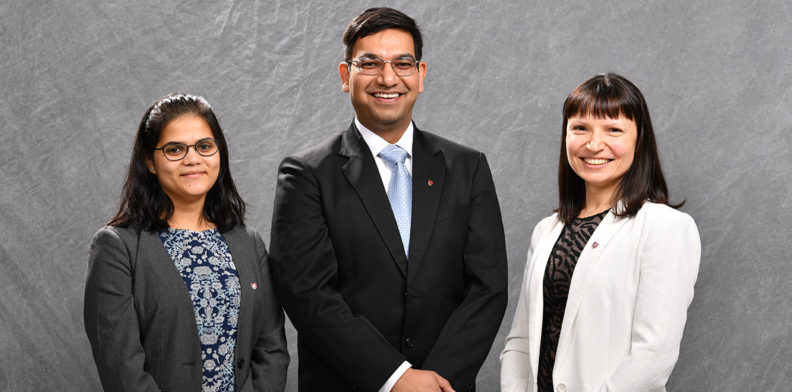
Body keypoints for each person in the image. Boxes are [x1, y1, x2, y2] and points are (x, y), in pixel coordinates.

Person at [269, 7, 508, 392]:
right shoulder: (306, 174)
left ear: (421, 74)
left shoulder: (468, 168)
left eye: (402, 63)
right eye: (370, 64)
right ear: (345, 76)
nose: (388, 78)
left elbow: (488, 288)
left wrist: (434, 383)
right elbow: (307, 294)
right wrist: (397, 379)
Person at [500, 74, 701, 392]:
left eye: (613, 130)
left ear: (639, 140)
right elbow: (521, 342)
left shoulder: (666, 228)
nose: (594, 145)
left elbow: (653, 354)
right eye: (580, 128)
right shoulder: (546, 231)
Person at [84, 93, 288, 392]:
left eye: (204, 146)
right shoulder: (117, 247)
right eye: (175, 149)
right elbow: (121, 366)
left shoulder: (248, 242)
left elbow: (271, 347)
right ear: (149, 161)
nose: (193, 159)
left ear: (219, 152)